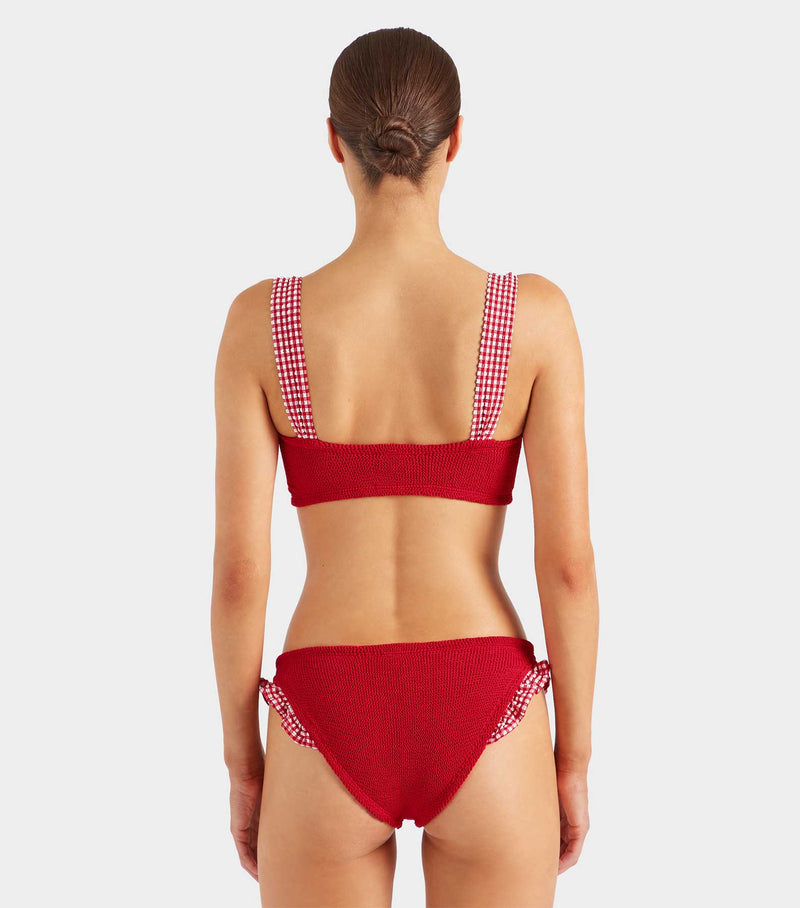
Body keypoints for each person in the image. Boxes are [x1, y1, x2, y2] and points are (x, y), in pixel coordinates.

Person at [211, 26, 598, 908]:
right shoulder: (532, 317)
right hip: (485, 702)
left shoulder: (262, 323)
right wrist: (571, 760)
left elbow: (239, 575)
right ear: (455, 140)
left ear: (334, 141)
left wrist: (245, 767)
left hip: (326, 702)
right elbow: (568, 567)